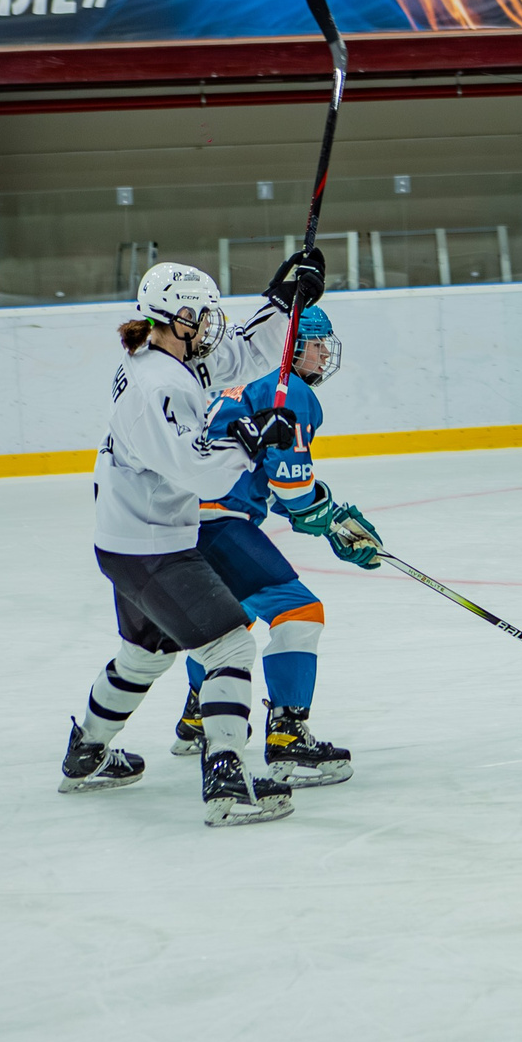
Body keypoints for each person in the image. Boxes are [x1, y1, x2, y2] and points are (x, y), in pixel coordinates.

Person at [58, 249, 324, 827]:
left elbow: (245, 355)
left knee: (145, 654)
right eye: (202, 316)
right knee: (230, 648)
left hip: (127, 539)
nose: (210, 326)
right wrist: (252, 436)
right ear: (179, 319)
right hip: (153, 546)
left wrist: (284, 303)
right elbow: (199, 471)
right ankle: (227, 782)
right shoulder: (159, 385)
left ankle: (86, 752)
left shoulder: (166, 356)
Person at [165, 303, 385, 786]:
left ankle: (198, 715)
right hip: (219, 524)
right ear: (291, 346)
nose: (324, 354)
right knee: (299, 612)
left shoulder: (232, 380)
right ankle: (288, 735)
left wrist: (327, 516)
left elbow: (265, 476)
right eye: (315, 344)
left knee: (231, 618)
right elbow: (293, 490)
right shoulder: (290, 389)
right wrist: (327, 519)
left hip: (175, 523)